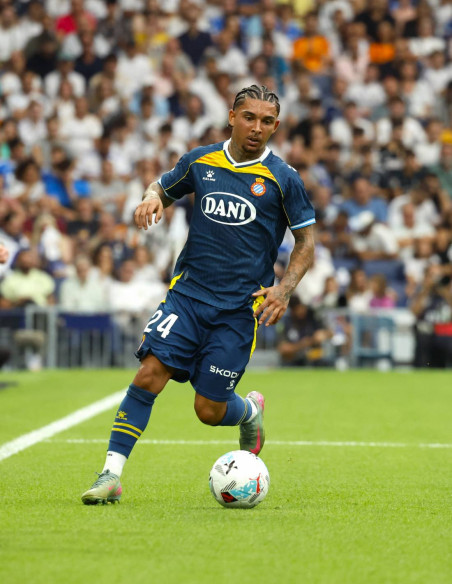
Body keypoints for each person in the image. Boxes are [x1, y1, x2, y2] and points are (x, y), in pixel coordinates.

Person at [81, 84, 316, 504]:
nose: (256, 128)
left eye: (266, 122)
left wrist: (284, 289)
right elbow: (160, 186)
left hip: (238, 310)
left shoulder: (283, 178)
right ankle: (111, 475)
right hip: (187, 296)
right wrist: (150, 198)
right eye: (249, 117)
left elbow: (306, 242)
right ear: (232, 117)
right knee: (149, 374)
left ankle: (249, 411)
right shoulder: (200, 161)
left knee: (208, 411)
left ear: (276, 126)